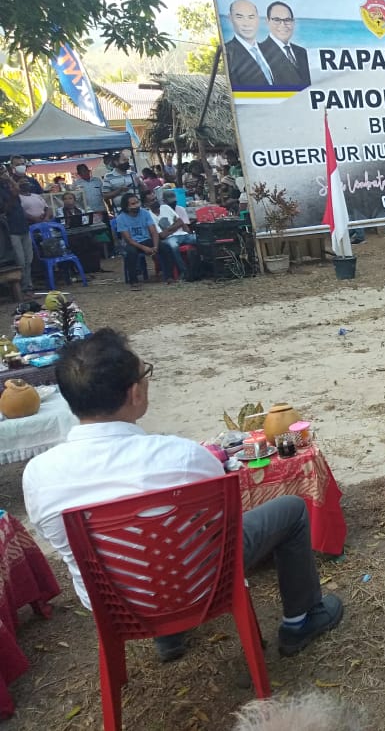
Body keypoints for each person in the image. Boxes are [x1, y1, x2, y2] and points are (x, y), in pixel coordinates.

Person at [23, 329, 344, 663]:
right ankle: (301, 620)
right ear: (135, 393)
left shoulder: (37, 475)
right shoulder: (181, 456)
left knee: (150, 541)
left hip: (113, 603)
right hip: (200, 587)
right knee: (290, 509)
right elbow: (223, 527)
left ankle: (168, 633)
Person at [224, 0, 276, 89]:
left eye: (251, 17)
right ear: (230, 18)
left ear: (258, 18)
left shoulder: (270, 51)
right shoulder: (228, 53)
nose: (246, 23)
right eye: (239, 17)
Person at [260, 1, 310, 89]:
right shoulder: (259, 52)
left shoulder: (301, 52)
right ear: (267, 21)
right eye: (277, 20)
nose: (283, 25)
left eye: (287, 20)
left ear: (293, 22)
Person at [113, 193, 159, 290]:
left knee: (164, 246)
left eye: (137, 202)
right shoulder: (121, 218)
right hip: (132, 243)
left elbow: (154, 232)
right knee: (131, 252)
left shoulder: (145, 213)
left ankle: (169, 276)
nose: (136, 206)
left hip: (146, 239)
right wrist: (144, 248)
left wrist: (155, 246)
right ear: (126, 206)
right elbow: (128, 240)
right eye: (133, 204)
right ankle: (133, 280)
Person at [0, 167, 32, 296]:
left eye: (4, 172)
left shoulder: (8, 186)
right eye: (2, 173)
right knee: (20, 260)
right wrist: (13, 195)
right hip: (11, 229)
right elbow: (4, 210)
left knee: (28, 259)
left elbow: (17, 192)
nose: (4, 175)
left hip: (23, 226)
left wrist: (11, 182)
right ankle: (24, 288)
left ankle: (28, 286)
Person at [155, 189, 197, 283]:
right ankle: (183, 271)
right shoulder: (162, 210)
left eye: (174, 202)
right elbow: (162, 234)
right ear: (164, 201)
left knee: (200, 239)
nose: (173, 204)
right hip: (170, 238)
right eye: (170, 202)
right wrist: (175, 226)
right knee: (174, 247)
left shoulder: (180, 209)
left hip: (182, 234)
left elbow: (184, 224)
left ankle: (201, 266)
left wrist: (172, 229)